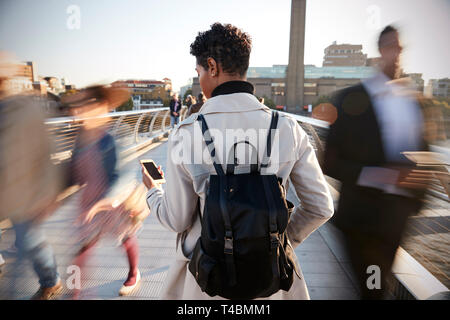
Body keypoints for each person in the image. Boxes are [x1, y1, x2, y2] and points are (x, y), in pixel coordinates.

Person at [142, 23, 333, 300]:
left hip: (207, 280)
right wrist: (271, 240)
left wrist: (152, 191)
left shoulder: (188, 132)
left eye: (199, 73)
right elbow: (321, 207)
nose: (200, 81)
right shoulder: (287, 128)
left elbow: (177, 218)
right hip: (271, 281)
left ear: (212, 66)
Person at [322, 25, 431, 299]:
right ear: (382, 49)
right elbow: (330, 162)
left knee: (375, 289)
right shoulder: (350, 99)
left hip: (396, 220)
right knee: (373, 289)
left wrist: (413, 202)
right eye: (393, 47)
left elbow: (425, 156)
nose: (398, 54)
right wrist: (379, 175)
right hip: (362, 220)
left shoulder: (414, 103)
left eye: (401, 48)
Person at [63, 85, 148, 298]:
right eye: (78, 105)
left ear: (101, 107)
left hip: (115, 201)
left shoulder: (113, 135)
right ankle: (75, 291)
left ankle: (134, 273)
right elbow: (72, 171)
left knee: (125, 238)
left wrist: (106, 201)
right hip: (90, 201)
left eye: (84, 105)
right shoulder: (81, 136)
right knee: (83, 246)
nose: (78, 110)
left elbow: (122, 174)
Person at [0, 52, 64, 300]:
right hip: (9, 194)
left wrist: (48, 193)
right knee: (26, 242)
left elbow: (47, 151)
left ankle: (51, 281)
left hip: (25, 196)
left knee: (30, 243)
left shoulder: (25, 108)